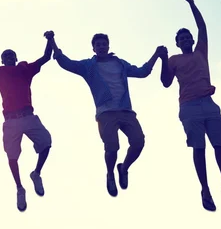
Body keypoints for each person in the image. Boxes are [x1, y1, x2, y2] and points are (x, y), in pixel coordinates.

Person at [50, 32, 165, 197]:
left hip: (125, 110)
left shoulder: (120, 64)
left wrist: (156, 55)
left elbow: (142, 72)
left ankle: (123, 168)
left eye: (104, 44)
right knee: (112, 147)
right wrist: (52, 41)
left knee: (138, 142)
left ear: (108, 46)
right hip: (105, 113)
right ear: (94, 48)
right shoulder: (88, 66)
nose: (102, 47)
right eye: (98, 45)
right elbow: (65, 62)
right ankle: (110, 174)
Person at [159, 0, 221, 211]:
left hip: (208, 103)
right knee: (199, 148)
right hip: (189, 107)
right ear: (177, 43)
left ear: (192, 41)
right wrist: (161, 59)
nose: (186, 40)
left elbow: (202, 26)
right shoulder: (174, 60)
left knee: (220, 146)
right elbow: (166, 82)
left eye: (188, 37)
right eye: (182, 39)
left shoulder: (200, 52)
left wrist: (191, 3)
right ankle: (205, 189)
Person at [0, 17, 53, 212]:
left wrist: (50, 39)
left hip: (28, 115)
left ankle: (36, 173)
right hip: (10, 120)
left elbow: (46, 58)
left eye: (11, 55)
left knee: (46, 142)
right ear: (2, 60)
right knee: (12, 156)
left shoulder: (24, 69)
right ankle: (19, 188)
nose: (8, 58)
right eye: (5, 56)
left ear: (15, 58)